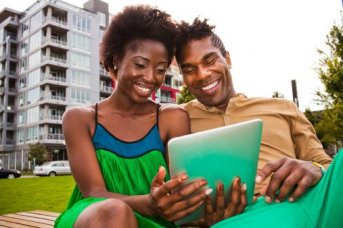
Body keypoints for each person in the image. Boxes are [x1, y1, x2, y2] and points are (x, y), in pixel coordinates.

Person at [55, 6, 246, 228]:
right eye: (140, 64)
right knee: (114, 212)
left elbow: (182, 187)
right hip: (95, 216)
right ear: (116, 60)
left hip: (155, 220)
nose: (150, 78)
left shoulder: (172, 118)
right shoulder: (80, 119)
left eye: (161, 69)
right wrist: (148, 203)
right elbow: (95, 192)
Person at [174, 18, 343, 227]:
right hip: (240, 218)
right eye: (189, 70)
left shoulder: (283, 107)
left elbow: (328, 167)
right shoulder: (175, 118)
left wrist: (314, 168)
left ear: (228, 59)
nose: (203, 74)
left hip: (310, 201)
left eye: (210, 61)